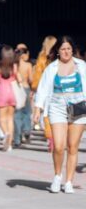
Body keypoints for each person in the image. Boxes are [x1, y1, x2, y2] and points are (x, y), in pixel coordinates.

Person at [33, 36, 86, 194]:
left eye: (69, 49)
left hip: (78, 107)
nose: (66, 52)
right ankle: (57, 176)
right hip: (57, 108)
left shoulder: (81, 66)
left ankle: (68, 181)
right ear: (58, 51)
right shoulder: (52, 68)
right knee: (58, 146)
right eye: (63, 49)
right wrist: (38, 109)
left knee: (73, 147)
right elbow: (42, 89)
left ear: (72, 50)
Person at [0, 45, 20, 152]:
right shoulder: (14, 66)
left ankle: (6, 134)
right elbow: (19, 79)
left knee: (1, 120)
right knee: (10, 119)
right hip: (13, 92)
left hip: (2, 92)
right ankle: (9, 145)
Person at [31, 36, 57, 140]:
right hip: (58, 88)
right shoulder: (59, 57)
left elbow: (37, 76)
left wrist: (35, 88)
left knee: (46, 114)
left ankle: (50, 136)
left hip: (45, 89)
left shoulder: (41, 58)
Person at [14, 44, 33, 147]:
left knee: (17, 114)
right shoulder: (28, 65)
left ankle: (17, 138)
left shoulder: (14, 65)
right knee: (26, 112)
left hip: (16, 90)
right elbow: (31, 80)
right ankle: (26, 131)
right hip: (25, 88)